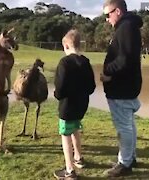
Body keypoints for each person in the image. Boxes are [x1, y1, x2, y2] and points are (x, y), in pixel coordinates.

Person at [100, 0, 143, 177]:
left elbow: (125, 59)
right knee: (129, 125)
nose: (106, 19)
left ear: (117, 11)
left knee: (123, 128)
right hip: (126, 85)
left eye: (107, 14)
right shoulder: (128, 26)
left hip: (122, 87)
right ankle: (129, 158)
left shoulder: (125, 27)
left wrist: (107, 72)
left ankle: (124, 164)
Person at [53, 29, 96, 179]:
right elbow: (92, 87)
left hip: (67, 107)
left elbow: (59, 88)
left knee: (65, 134)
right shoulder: (86, 61)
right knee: (75, 128)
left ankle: (69, 170)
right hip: (81, 106)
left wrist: (58, 96)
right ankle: (78, 158)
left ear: (65, 46)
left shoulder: (64, 63)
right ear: (79, 44)